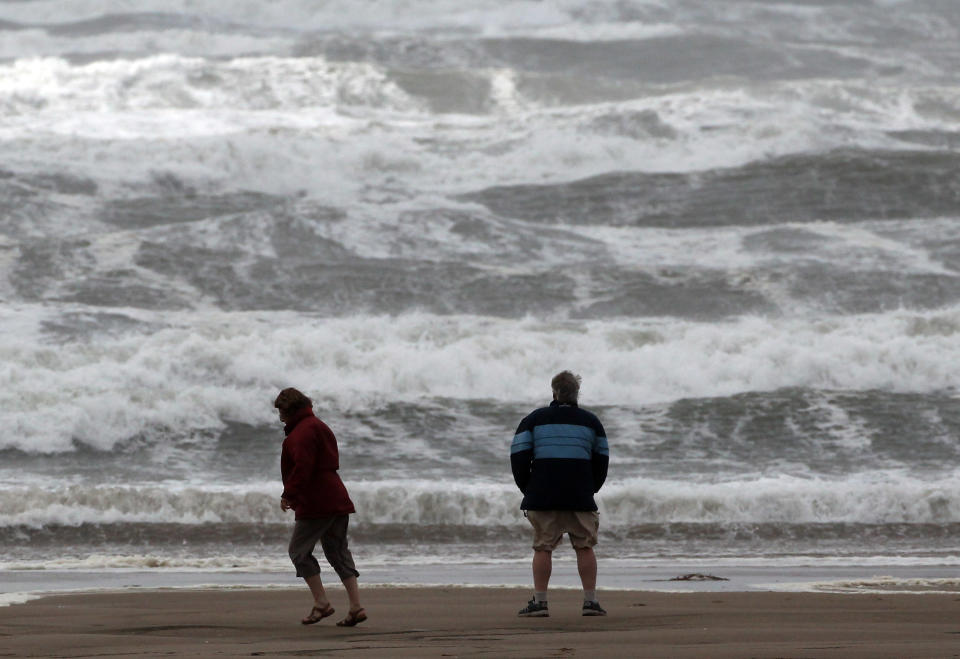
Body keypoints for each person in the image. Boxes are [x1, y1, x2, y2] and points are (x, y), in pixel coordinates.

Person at [510, 371, 610, 617]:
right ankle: (590, 602)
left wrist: (528, 488)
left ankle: (541, 602)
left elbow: (519, 457)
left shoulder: (534, 420)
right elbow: (602, 461)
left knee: (543, 547)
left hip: (543, 494)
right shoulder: (591, 422)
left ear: (554, 392)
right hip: (580, 494)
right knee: (585, 547)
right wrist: (591, 488)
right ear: (576, 394)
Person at [275, 387, 367, 627]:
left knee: (298, 551)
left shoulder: (301, 434)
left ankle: (322, 603)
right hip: (336, 495)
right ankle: (356, 606)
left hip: (317, 501)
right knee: (338, 552)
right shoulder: (319, 426)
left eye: (282, 411)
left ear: (292, 408)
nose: (280, 417)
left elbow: (303, 469)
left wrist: (289, 494)